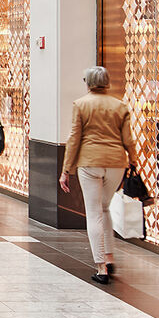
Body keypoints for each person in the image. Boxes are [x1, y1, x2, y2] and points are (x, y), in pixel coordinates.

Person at [59, 67, 132, 285]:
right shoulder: (120, 106)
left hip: (89, 163)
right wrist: (134, 160)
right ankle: (109, 257)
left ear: (89, 82)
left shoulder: (81, 104)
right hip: (116, 163)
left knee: (94, 213)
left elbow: (74, 138)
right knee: (105, 207)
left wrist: (66, 170)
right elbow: (128, 139)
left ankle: (101, 266)